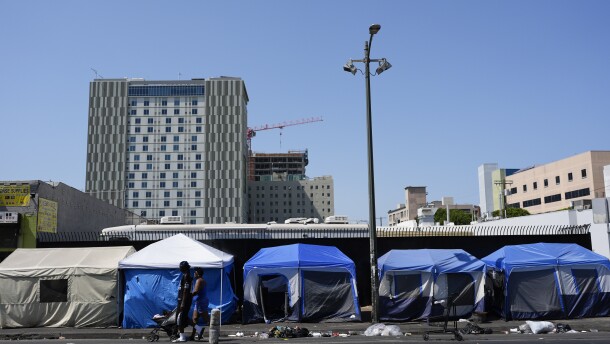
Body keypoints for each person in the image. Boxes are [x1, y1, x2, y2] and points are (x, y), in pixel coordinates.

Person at [174, 261, 193, 342]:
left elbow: (185, 291)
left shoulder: (186, 276)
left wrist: (182, 303)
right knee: (184, 318)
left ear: (183, 267)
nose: (179, 268)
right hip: (183, 300)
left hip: (183, 301)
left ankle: (182, 337)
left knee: (179, 318)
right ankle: (199, 329)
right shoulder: (185, 275)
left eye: (180, 267)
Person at [190, 267, 209, 341]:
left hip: (201, 302)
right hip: (199, 301)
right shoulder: (201, 280)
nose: (194, 274)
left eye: (195, 272)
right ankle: (193, 335)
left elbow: (196, 291)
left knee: (206, 319)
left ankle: (215, 331)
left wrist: (188, 295)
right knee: (194, 319)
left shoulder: (199, 281)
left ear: (197, 273)